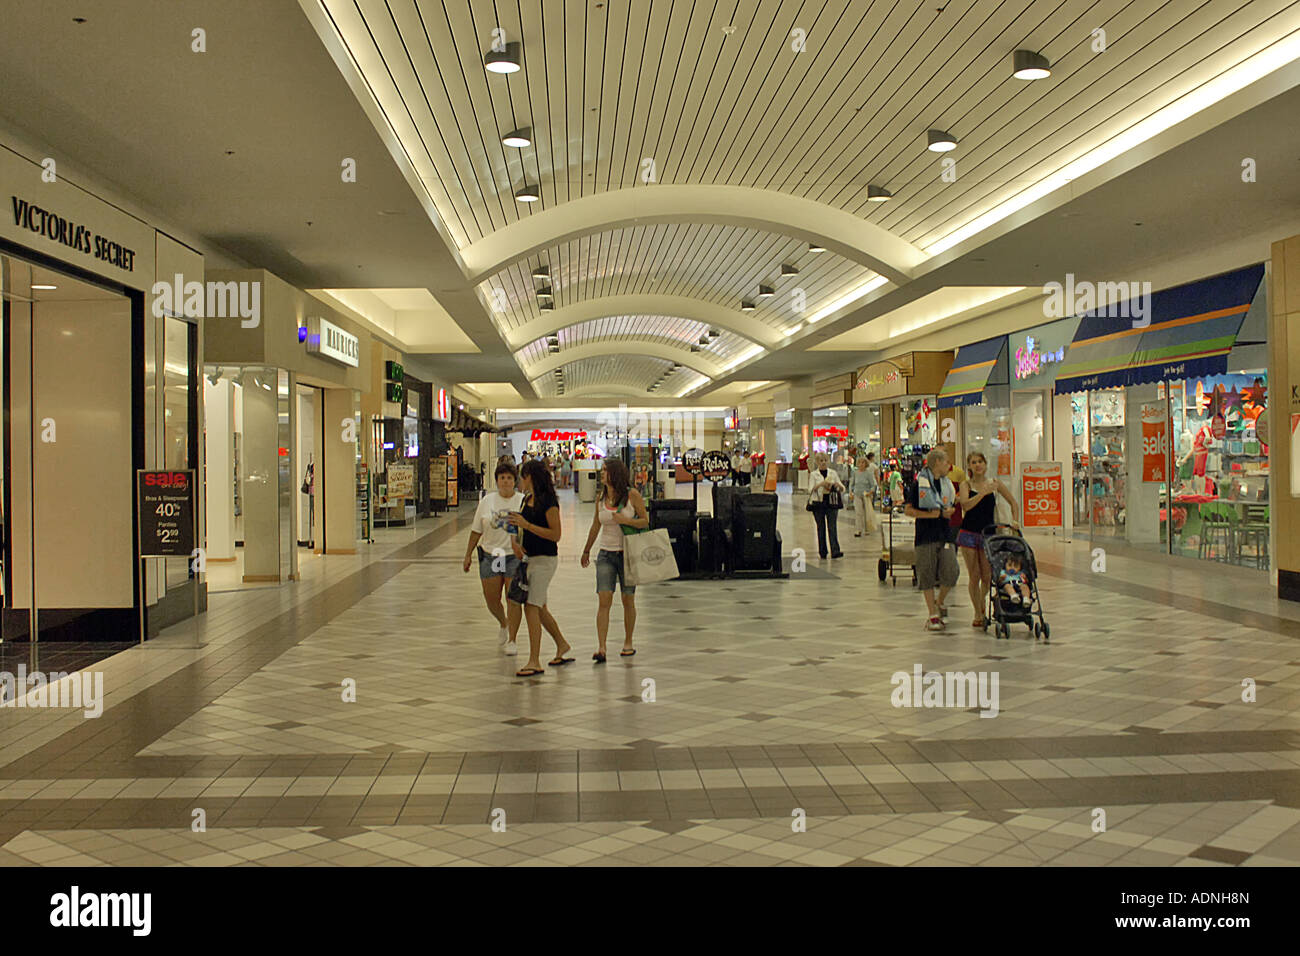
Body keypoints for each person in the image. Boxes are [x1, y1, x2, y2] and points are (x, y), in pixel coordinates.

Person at [507, 459, 574, 677]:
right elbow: (521, 527)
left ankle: (534, 660)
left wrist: (527, 526)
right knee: (540, 607)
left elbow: (556, 535)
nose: (520, 481)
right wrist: (515, 542)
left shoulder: (548, 503)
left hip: (545, 560)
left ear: (531, 477)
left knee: (531, 607)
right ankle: (562, 644)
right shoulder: (527, 500)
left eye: (522, 477)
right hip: (529, 558)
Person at [580, 458, 649, 662]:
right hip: (605, 554)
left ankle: (628, 642)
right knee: (604, 599)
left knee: (628, 599)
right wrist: (586, 550)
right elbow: (595, 525)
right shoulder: (600, 497)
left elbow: (645, 520)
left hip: (628, 553)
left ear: (615, 474)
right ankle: (601, 647)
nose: (601, 474)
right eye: (601, 471)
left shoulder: (632, 495)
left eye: (604, 471)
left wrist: (626, 520)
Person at [462, 461, 525, 653]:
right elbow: (476, 530)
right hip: (492, 555)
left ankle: (512, 639)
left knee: (512, 598)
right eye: (502, 478)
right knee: (492, 598)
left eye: (509, 478)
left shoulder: (522, 501)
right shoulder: (487, 501)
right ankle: (503, 622)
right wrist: (468, 554)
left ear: (514, 481)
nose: (505, 482)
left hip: (514, 556)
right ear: (497, 481)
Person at [956, 451, 1020, 627]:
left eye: (980, 461)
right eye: (974, 462)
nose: (977, 465)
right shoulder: (965, 485)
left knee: (986, 576)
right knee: (973, 575)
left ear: (985, 464)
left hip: (989, 535)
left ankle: (981, 599)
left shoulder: (995, 483)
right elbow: (965, 506)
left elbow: (1013, 503)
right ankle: (977, 612)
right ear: (969, 466)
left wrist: (1015, 521)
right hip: (968, 533)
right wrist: (982, 493)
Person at [904, 448, 959, 632]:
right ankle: (932, 614)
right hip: (925, 536)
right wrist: (930, 515)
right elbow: (908, 510)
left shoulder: (947, 484)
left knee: (951, 571)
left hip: (945, 534)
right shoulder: (919, 483)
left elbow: (950, 504)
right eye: (946, 462)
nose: (948, 466)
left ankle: (939, 601)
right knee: (926, 573)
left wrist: (948, 512)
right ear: (937, 463)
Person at [807, 452, 845, 559]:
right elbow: (810, 489)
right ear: (817, 462)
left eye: (825, 460)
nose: (823, 463)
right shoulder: (814, 475)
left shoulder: (833, 473)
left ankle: (835, 550)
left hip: (831, 503)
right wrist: (820, 484)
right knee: (821, 527)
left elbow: (842, 487)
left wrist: (837, 486)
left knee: (832, 527)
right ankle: (822, 551)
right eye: (821, 461)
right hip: (818, 503)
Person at [850, 453, 879, 537]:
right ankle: (858, 529)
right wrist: (851, 492)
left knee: (867, 512)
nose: (861, 464)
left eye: (863, 462)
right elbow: (852, 483)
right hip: (857, 494)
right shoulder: (855, 473)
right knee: (858, 512)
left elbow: (873, 484)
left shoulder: (868, 473)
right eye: (860, 462)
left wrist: (871, 492)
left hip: (866, 495)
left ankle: (867, 529)